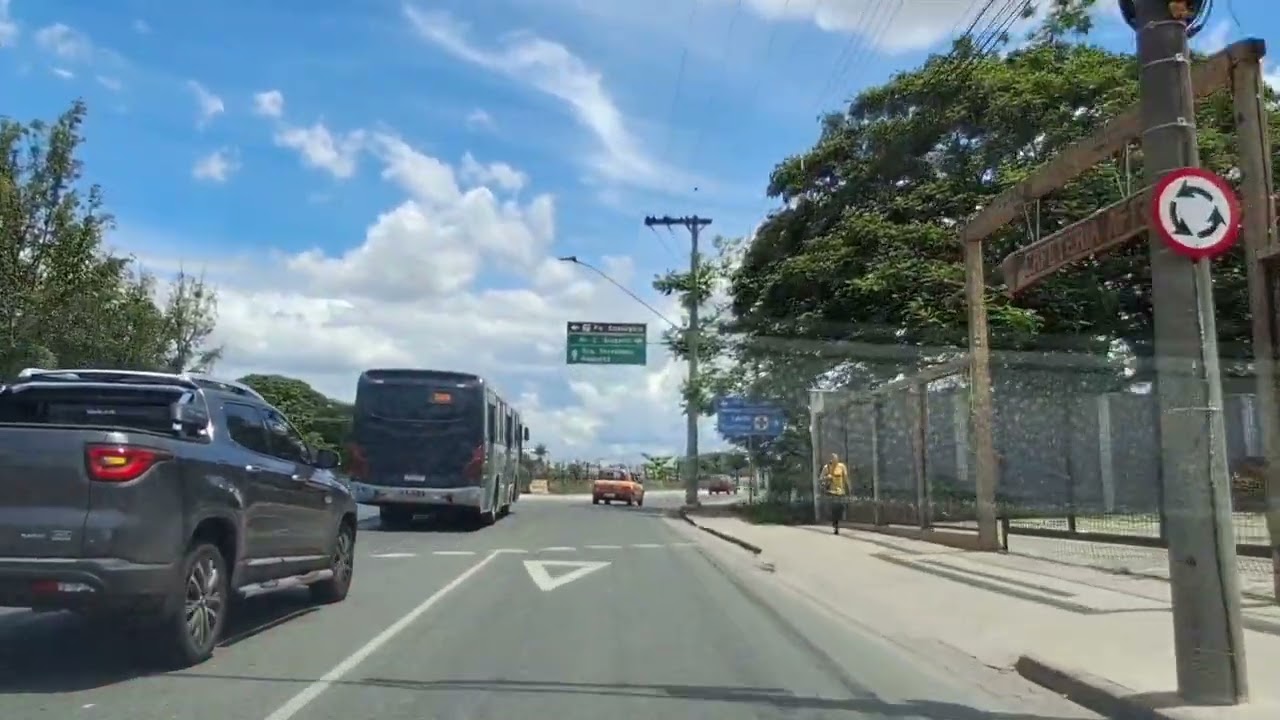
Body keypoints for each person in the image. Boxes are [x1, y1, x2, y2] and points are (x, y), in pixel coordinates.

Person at [819, 452, 849, 535]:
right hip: (831, 491)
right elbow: (821, 479)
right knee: (834, 509)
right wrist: (826, 477)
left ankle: (836, 522)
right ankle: (835, 525)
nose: (835, 461)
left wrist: (848, 487)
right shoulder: (827, 467)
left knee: (840, 508)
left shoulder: (842, 466)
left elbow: (845, 478)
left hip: (840, 491)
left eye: (836, 459)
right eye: (833, 460)